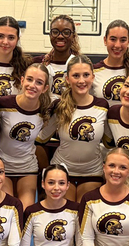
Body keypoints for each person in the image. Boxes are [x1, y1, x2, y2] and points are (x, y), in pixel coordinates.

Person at [37, 55, 109, 201]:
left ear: (93, 77)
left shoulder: (102, 106)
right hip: (62, 172)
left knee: (83, 213)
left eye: (86, 75)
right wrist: (47, 170)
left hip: (92, 172)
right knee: (65, 214)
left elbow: (110, 142)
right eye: (76, 76)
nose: (81, 80)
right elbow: (39, 140)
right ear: (68, 79)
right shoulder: (59, 106)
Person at [0, 62, 52, 208]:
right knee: (8, 209)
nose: (33, 85)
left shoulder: (45, 110)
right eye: (29, 79)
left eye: (39, 82)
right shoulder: (4, 103)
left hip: (27, 166)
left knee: (25, 210)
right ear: (22, 80)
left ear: (45, 88)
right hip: (2, 164)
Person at [93, 20, 129, 106]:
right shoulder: (94, 71)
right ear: (105, 40)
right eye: (113, 39)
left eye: (123, 40)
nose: (117, 45)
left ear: (128, 42)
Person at [37, 14, 80, 98]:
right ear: (50, 35)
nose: (60, 36)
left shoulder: (81, 65)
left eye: (66, 32)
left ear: (73, 36)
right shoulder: (38, 63)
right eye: (55, 32)